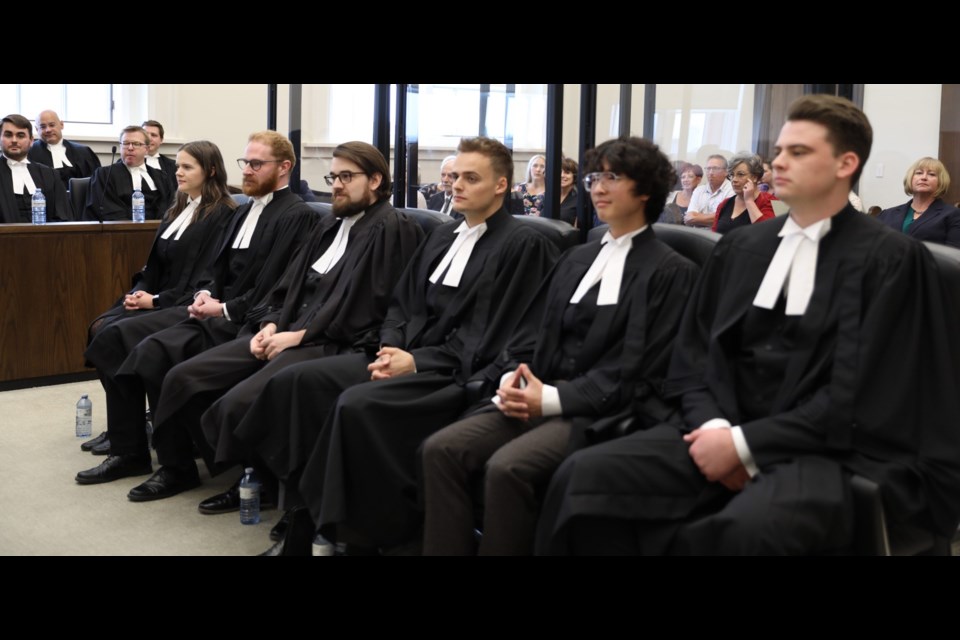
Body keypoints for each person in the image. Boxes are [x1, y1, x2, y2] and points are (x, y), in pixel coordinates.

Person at [536, 94, 960, 556]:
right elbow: (693, 355)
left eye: (798, 152)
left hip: (825, 451)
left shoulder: (893, 260)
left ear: (846, 163)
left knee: (746, 533)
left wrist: (744, 445)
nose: (778, 162)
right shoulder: (744, 247)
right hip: (719, 424)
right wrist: (716, 427)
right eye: (778, 151)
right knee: (584, 478)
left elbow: (870, 392)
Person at [211, 136, 559, 554]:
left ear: (502, 185)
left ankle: (333, 534)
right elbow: (402, 302)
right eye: (456, 177)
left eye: (471, 178)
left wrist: (414, 360)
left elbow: (492, 333)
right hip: (400, 355)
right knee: (302, 385)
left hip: (455, 372)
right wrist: (391, 345)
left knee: (353, 405)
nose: (457, 186)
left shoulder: (524, 245)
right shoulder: (445, 235)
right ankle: (311, 521)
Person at [421, 136, 699, 555]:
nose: (598, 188)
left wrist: (551, 398)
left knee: (508, 468)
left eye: (613, 177)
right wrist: (515, 375)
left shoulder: (671, 271)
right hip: (540, 393)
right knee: (441, 449)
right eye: (594, 177)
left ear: (645, 190)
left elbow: (638, 368)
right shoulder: (578, 259)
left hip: (604, 410)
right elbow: (531, 331)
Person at [131, 142, 423, 506]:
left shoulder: (393, 228)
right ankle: (211, 469)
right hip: (287, 328)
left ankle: (260, 485)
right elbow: (289, 284)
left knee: (243, 402)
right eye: (333, 176)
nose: (336, 185)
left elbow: (367, 306)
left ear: (377, 179)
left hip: (334, 340)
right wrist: (270, 324)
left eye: (347, 177)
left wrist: (297, 336)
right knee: (183, 378)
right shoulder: (330, 223)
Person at [76, 131, 317, 491]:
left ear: (284, 168)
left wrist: (224, 307)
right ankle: (153, 454)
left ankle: (176, 465)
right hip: (214, 312)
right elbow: (216, 269)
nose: (247, 171)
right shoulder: (248, 208)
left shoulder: (296, 215)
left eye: (256, 164)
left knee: (154, 352)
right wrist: (205, 294)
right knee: (142, 348)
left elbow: (275, 285)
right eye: (245, 163)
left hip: (245, 321)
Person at [76, 141, 238, 456]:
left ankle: (129, 434)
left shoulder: (223, 213)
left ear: (212, 170)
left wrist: (157, 300)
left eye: (187, 167)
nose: (178, 172)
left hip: (183, 303)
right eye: (177, 165)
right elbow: (154, 264)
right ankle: (127, 425)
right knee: (99, 327)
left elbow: (205, 276)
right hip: (157, 296)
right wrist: (140, 291)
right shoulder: (177, 207)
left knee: (114, 336)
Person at [82, 126, 171, 221]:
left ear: (147, 149)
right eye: (125, 143)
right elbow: (106, 208)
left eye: (136, 144)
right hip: (120, 231)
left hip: (158, 229)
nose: (130, 148)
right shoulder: (104, 175)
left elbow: (170, 206)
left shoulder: (160, 176)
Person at [0, 114, 70, 223]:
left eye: (21, 135)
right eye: (8, 135)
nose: (14, 140)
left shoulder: (50, 175)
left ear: (31, 141)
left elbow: (63, 217)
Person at [878, 157, 960, 249]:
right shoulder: (887, 214)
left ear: (940, 182)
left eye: (931, 174)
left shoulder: (953, 215)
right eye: (919, 173)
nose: (924, 177)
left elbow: (953, 255)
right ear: (911, 179)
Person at [29, 110, 101, 190]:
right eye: (43, 127)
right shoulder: (29, 153)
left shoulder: (83, 152)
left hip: (79, 201)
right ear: (36, 129)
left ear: (61, 125)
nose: (48, 130)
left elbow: (96, 184)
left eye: (52, 125)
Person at [712, 152, 776, 234]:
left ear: (755, 177)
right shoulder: (725, 204)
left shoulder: (769, 201)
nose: (734, 180)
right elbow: (713, 235)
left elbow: (766, 233)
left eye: (740, 174)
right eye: (732, 175)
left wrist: (749, 201)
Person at [683, 154, 733, 227]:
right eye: (708, 168)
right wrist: (713, 217)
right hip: (697, 235)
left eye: (715, 168)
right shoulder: (699, 190)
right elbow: (689, 218)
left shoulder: (732, 189)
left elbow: (724, 219)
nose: (710, 173)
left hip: (718, 236)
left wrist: (696, 217)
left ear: (726, 172)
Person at [142, 120, 179, 196]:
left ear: (161, 140)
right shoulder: (127, 163)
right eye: (145, 134)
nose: (149, 138)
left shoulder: (173, 165)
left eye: (153, 135)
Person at [558, 157, 579, 225]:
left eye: (567, 172)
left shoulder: (578, 200)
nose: (562, 175)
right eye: (559, 172)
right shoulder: (548, 196)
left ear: (574, 176)